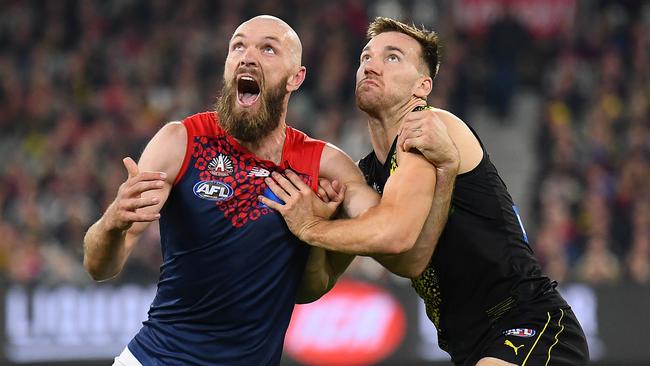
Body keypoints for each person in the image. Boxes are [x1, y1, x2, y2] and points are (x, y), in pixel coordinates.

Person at [83, 15, 447, 366]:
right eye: (238, 47)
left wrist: (319, 234)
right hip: (155, 359)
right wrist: (111, 223)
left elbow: (396, 241)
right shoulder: (181, 141)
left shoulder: (323, 166)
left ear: (296, 77)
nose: (248, 56)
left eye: (268, 49)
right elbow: (99, 267)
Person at [261, 17, 589, 366]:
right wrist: (316, 236)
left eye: (392, 57)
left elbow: (397, 235)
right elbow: (319, 285)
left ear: (422, 86)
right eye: (365, 57)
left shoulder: (430, 127)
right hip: (471, 345)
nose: (371, 64)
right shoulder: (366, 176)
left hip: (528, 322)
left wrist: (311, 227)